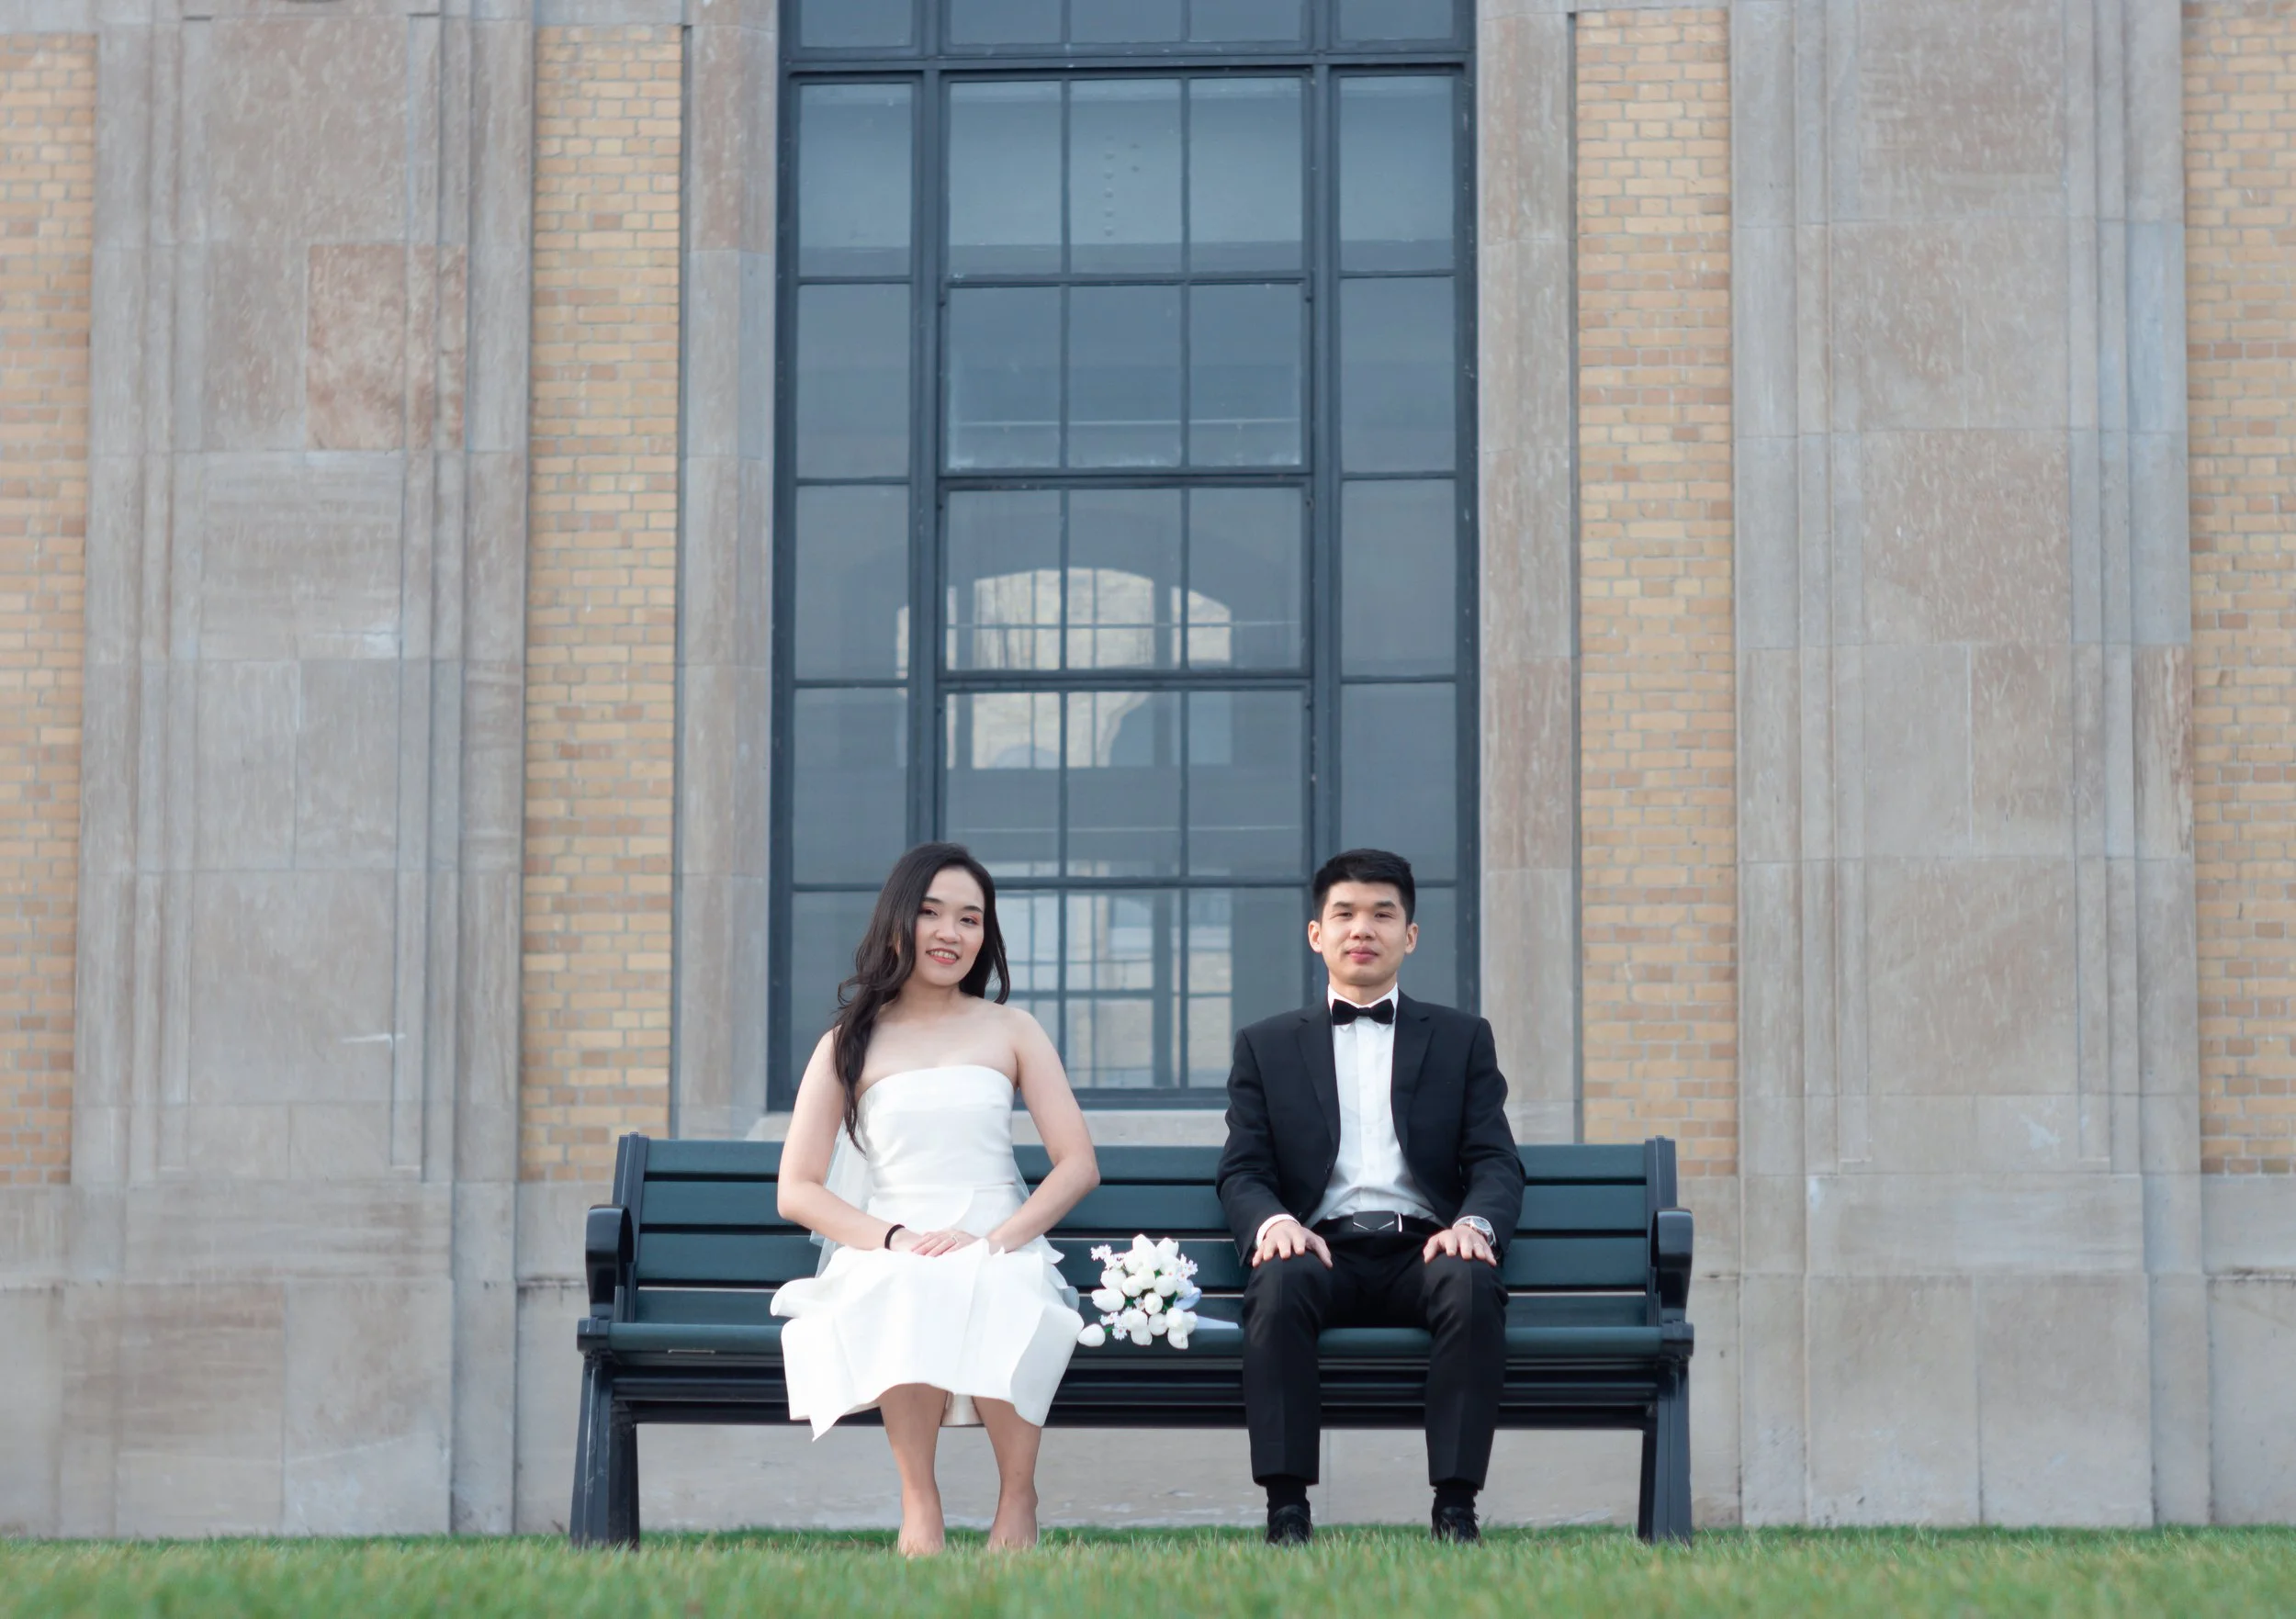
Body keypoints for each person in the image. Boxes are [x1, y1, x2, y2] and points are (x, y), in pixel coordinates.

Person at [771, 842, 1098, 1556]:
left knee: (1005, 1286)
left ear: (986, 935)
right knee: (908, 1285)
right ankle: (920, 1501)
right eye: (932, 913)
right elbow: (796, 1188)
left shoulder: (1012, 1029)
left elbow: (1076, 1165)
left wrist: (1000, 1238)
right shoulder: (847, 1043)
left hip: (998, 1233)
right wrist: (895, 1238)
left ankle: (1018, 1495)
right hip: (893, 1237)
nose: (951, 933)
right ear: (898, 921)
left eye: (970, 919)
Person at [1217, 848, 1525, 1546]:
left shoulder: (1461, 1038)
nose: (1364, 928)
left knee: (1472, 1283)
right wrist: (1273, 1221)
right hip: (1319, 1247)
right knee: (1278, 1281)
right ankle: (1287, 1510)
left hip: (1424, 1247)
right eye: (1345, 914)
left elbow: (1495, 1158)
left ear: (1409, 936)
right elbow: (1242, 1168)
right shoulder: (1265, 1046)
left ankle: (1455, 1507)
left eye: (1383, 914)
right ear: (1316, 934)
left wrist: (1474, 1223)